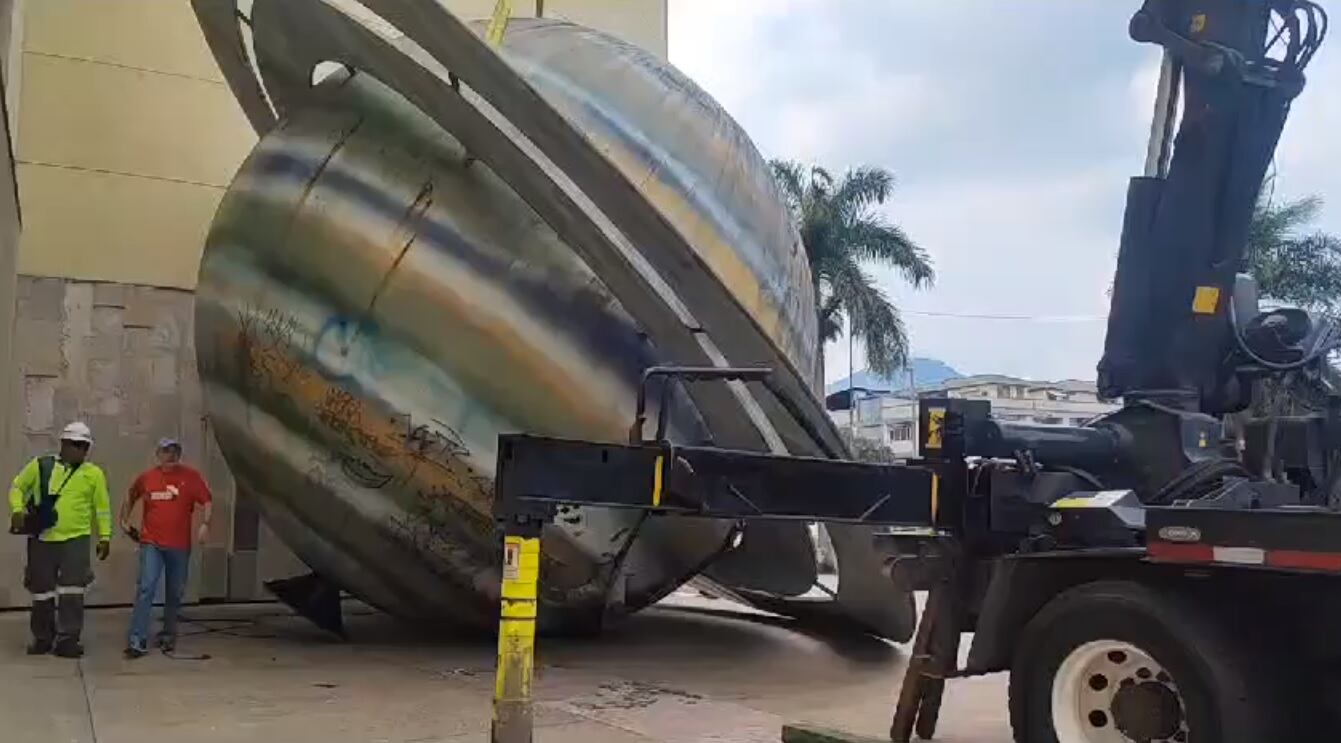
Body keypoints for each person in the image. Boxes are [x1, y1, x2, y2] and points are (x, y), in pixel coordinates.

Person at [7, 422, 112, 658]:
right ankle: (43, 638)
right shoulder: (41, 466)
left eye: (84, 446)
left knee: (73, 591)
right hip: (43, 540)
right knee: (41, 591)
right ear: (63, 444)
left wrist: (104, 536)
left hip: (76, 540)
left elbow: (102, 508)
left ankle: (68, 640)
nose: (81, 450)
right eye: (76, 445)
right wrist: (17, 510)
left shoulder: (93, 474)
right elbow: (17, 486)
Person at [121, 437, 213, 658]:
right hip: (151, 542)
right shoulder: (148, 478)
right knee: (146, 587)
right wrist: (124, 521)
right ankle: (137, 639)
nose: (170, 456)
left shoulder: (190, 477)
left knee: (175, 591)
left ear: (179, 455)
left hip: (179, 545)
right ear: (158, 454)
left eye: (174, 452)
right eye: (165, 452)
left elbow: (207, 500)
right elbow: (131, 495)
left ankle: (168, 635)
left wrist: (205, 524)